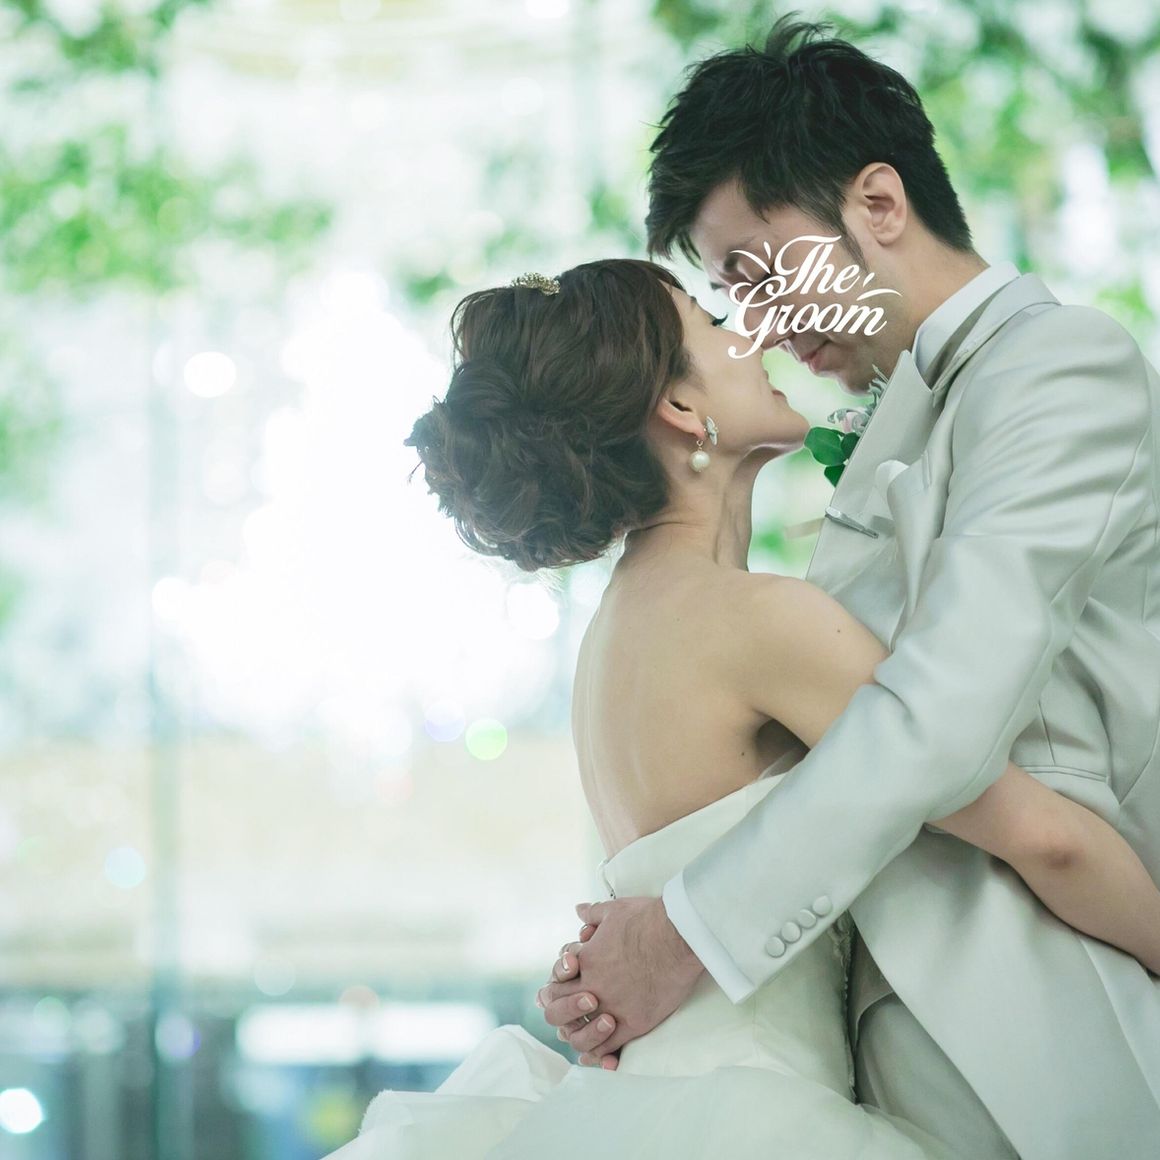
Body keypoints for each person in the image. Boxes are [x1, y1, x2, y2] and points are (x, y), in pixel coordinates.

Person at [321, 258, 1160, 1159]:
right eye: (715, 323)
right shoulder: (754, 622)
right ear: (682, 409)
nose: (752, 336)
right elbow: (1044, 837)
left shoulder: (618, 633)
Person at [538, 19, 1160, 1160]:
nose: (761, 325)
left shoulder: (1055, 364)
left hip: (1039, 1002)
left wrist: (682, 932)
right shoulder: (894, 425)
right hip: (882, 1035)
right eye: (725, 296)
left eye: (756, 273)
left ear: (876, 203)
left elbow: (940, 716)